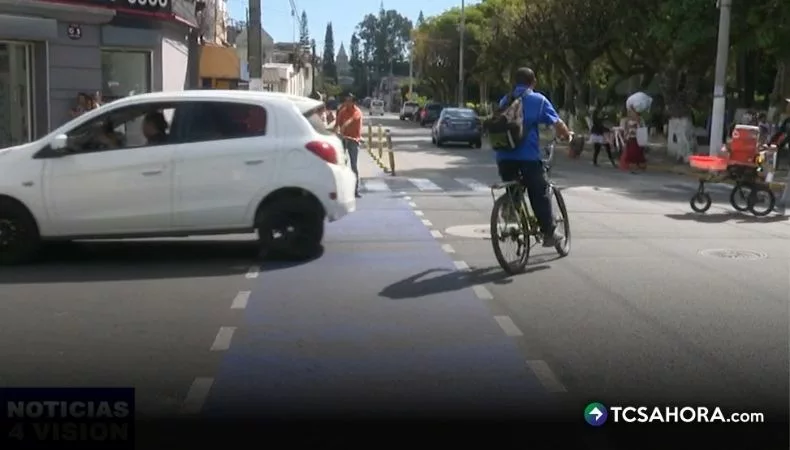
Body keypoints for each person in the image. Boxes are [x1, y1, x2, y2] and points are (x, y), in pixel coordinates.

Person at [494, 67, 572, 247]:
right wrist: (567, 136)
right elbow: (558, 124)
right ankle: (549, 232)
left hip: (503, 157)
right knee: (539, 191)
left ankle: (511, 212)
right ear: (533, 82)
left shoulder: (505, 100)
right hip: (528, 157)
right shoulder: (538, 100)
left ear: (515, 82)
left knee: (513, 189)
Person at [333, 93, 363, 198]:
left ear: (353, 102)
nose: (347, 102)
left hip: (353, 141)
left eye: (349, 101)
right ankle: (343, 188)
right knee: (341, 164)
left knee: (353, 165)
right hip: (343, 140)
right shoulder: (342, 111)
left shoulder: (357, 111)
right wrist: (334, 133)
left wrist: (345, 125)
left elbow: (352, 120)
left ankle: (355, 190)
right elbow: (337, 124)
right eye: (346, 100)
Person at [619, 107, 647, 173]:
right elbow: (625, 129)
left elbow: (642, 128)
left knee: (638, 153)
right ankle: (633, 168)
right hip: (630, 138)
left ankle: (639, 166)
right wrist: (625, 136)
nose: (631, 113)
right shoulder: (626, 120)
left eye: (632, 112)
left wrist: (638, 123)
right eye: (630, 112)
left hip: (638, 138)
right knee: (631, 153)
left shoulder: (640, 119)